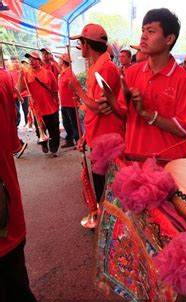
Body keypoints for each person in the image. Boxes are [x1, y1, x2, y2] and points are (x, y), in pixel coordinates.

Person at [102, 8, 186, 160]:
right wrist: (110, 104)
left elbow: (182, 130)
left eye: (151, 31)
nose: (143, 36)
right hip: (135, 160)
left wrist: (147, 113)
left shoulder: (184, 80)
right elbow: (122, 114)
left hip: (167, 165)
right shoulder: (132, 73)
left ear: (169, 39)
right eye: (143, 30)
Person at [0, 68, 41, 302]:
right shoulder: (4, 79)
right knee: (18, 292)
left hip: (5, 215)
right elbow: (12, 142)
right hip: (9, 212)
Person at [69, 23, 125, 201]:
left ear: (87, 43)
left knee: (108, 187)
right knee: (100, 184)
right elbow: (93, 104)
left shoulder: (106, 68)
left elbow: (99, 108)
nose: (80, 47)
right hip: (97, 134)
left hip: (107, 136)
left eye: (81, 42)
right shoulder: (95, 67)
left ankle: (107, 224)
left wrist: (78, 90)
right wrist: (85, 135)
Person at [18, 52, 61, 157]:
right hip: (36, 109)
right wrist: (20, 77)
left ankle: (54, 148)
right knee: (40, 129)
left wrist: (57, 101)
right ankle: (44, 143)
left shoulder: (48, 73)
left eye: (34, 59)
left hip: (51, 106)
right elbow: (19, 89)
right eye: (30, 60)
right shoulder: (26, 74)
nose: (31, 61)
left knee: (54, 129)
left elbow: (55, 90)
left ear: (39, 61)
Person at [58, 53, 79, 148]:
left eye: (60, 59)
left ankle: (79, 140)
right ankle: (69, 139)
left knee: (75, 123)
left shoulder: (69, 73)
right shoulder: (64, 72)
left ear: (63, 61)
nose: (59, 61)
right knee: (66, 122)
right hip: (65, 103)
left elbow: (74, 86)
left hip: (71, 103)